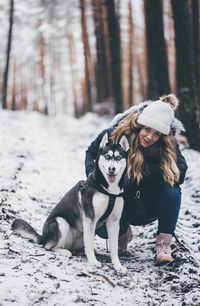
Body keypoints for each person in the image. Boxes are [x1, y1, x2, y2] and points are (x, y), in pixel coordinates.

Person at [85, 94, 188, 264]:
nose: (149, 137)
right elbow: (91, 152)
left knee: (172, 189)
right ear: (139, 124)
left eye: (156, 134)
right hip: (122, 202)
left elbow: (181, 171)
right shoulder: (116, 134)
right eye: (147, 129)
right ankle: (122, 231)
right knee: (102, 231)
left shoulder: (168, 146)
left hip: (150, 205)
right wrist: (92, 175)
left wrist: (146, 175)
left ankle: (163, 245)